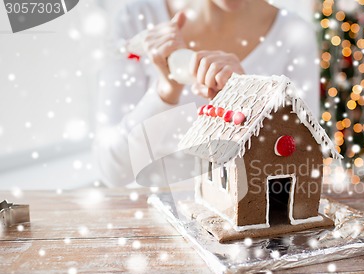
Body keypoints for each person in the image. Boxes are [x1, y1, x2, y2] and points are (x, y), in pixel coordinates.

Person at [94, 0, 320, 187]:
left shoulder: (295, 33)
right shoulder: (136, 19)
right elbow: (113, 171)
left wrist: (247, 103)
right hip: (149, 225)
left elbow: (303, 168)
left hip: (241, 227)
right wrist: (165, 92)